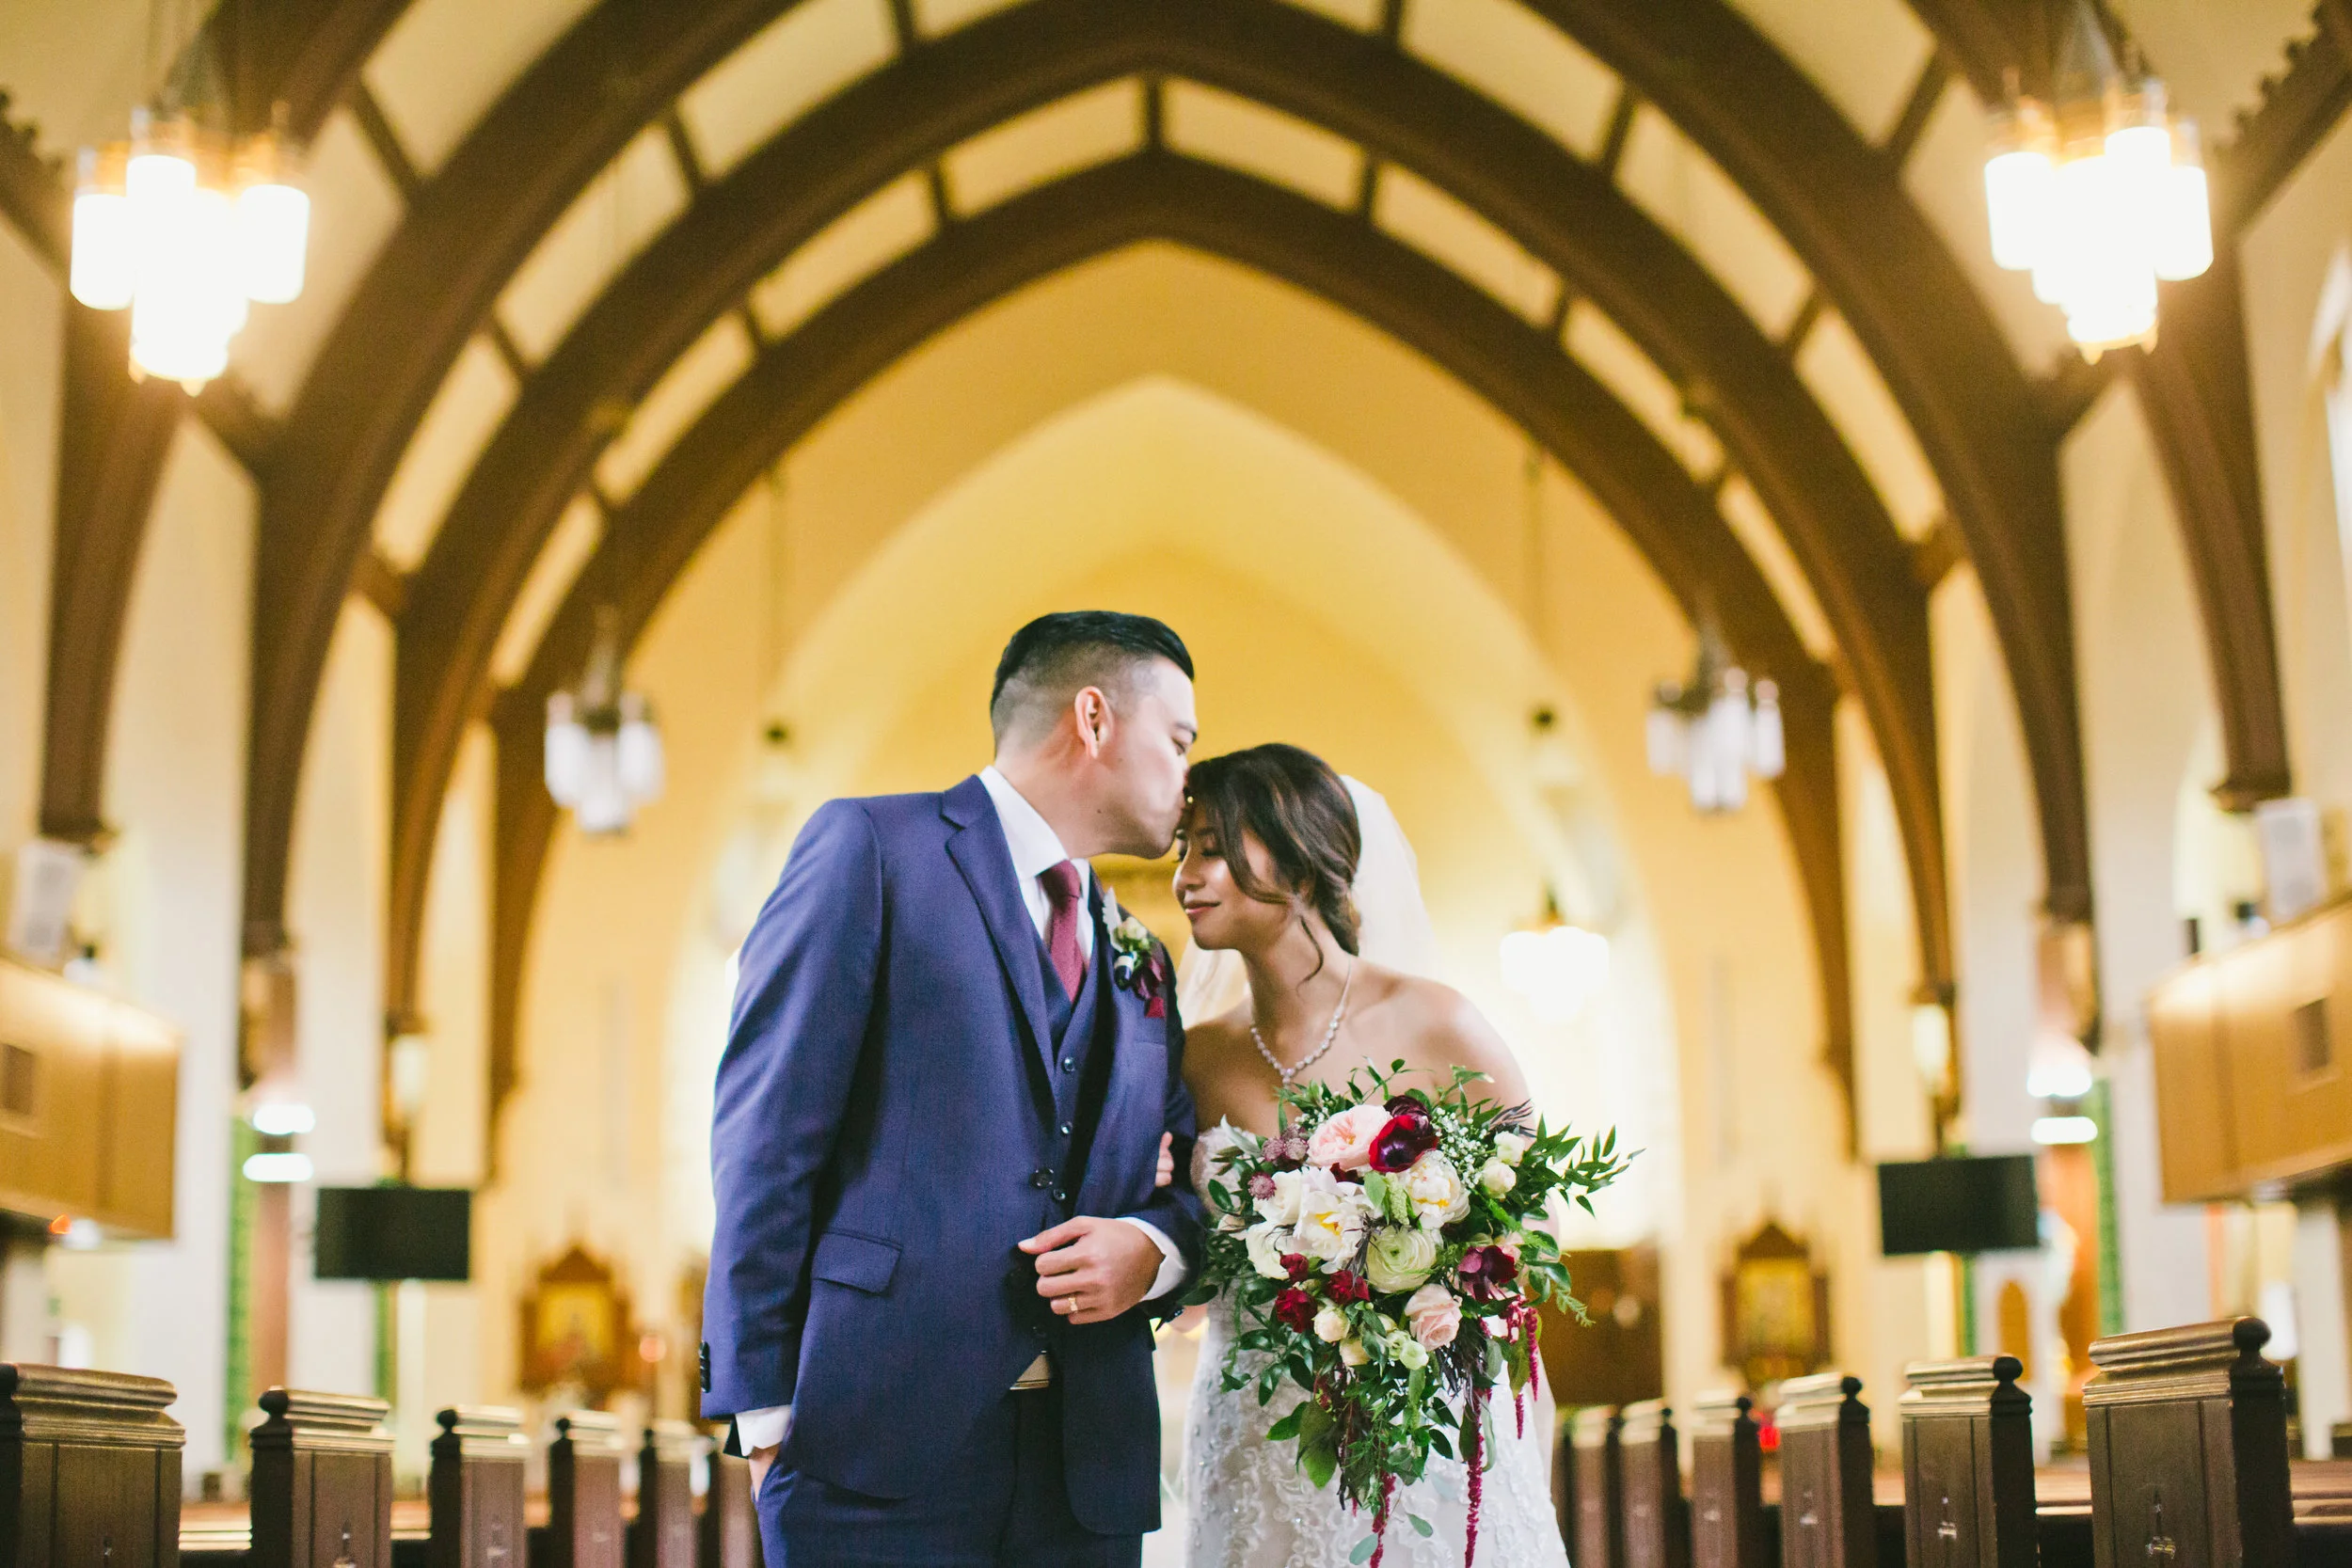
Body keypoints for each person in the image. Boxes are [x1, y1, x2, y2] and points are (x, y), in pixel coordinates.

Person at [701, 610, 1207, 1567]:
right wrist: (760, 1411)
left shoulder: (1139, 952)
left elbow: (1189, 1183)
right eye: (1178, 739)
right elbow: (766, 1133)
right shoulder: (874, 848)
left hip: (1085, 1468)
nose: (1189, 778)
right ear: (1092, 717)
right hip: (872, 1453)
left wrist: (1151, 1248)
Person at [1172, 744, 1568, 1568]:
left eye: (1214, 846)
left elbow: (1534, 1217)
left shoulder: (1437, 1022)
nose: (1187, 874)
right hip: (1254, 1424)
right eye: (1185, 848)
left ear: (1304, 866)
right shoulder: (1197, 1057)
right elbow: (1178, 1237)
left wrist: (1416, 1281)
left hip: (1417, 1426)